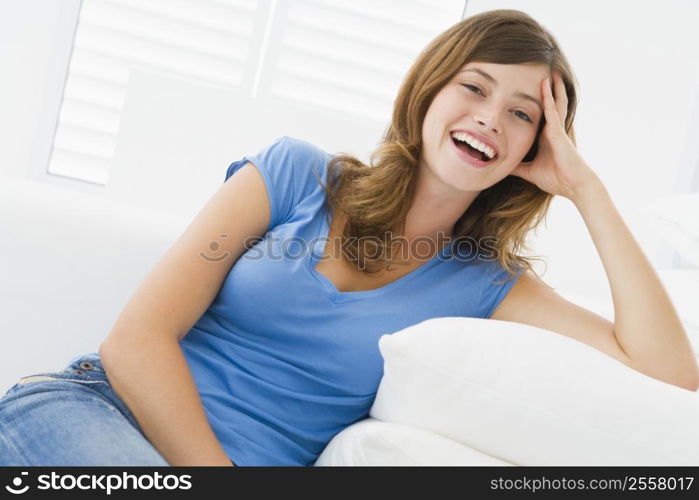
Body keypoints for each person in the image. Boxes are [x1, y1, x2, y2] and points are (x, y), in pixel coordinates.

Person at [1, 9, 697, 467]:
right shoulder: (294, 175)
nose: (489, 119)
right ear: (428, 91)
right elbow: (136, 339)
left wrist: (585, 189)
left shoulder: (488, 285)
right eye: (474, 88)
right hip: (92, 416)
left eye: (520, 114)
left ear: (534, 147)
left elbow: (668, 377)